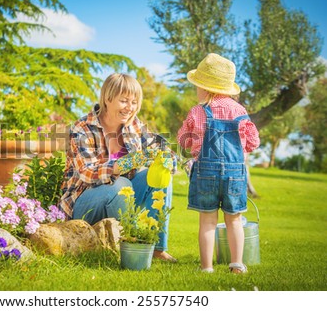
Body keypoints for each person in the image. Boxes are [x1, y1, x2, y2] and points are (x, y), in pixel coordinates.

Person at [58, 73, 178, 262]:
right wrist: (126, 163)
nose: (130, 108)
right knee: (121, 182)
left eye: (134, 102)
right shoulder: (82, 128)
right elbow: (87, 173)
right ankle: (127, 245)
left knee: (160, 176)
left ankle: (156, 248)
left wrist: (167, 159)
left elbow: (159, 146)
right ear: (108, 98)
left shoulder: (134, 125)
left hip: (120, 196)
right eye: (124, 101)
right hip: (84, 203)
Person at [177, 53, 260, 273]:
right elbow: (253, 142)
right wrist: (239, 148)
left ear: (204, 88)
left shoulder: (197, 111)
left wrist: (193, 143)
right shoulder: (240, 111)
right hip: (235, 173)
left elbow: (182, 140)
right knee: (234, 220)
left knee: (207, 221)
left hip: (205, 172)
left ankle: (206, 267)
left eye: (197, 85)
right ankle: (236, 264)